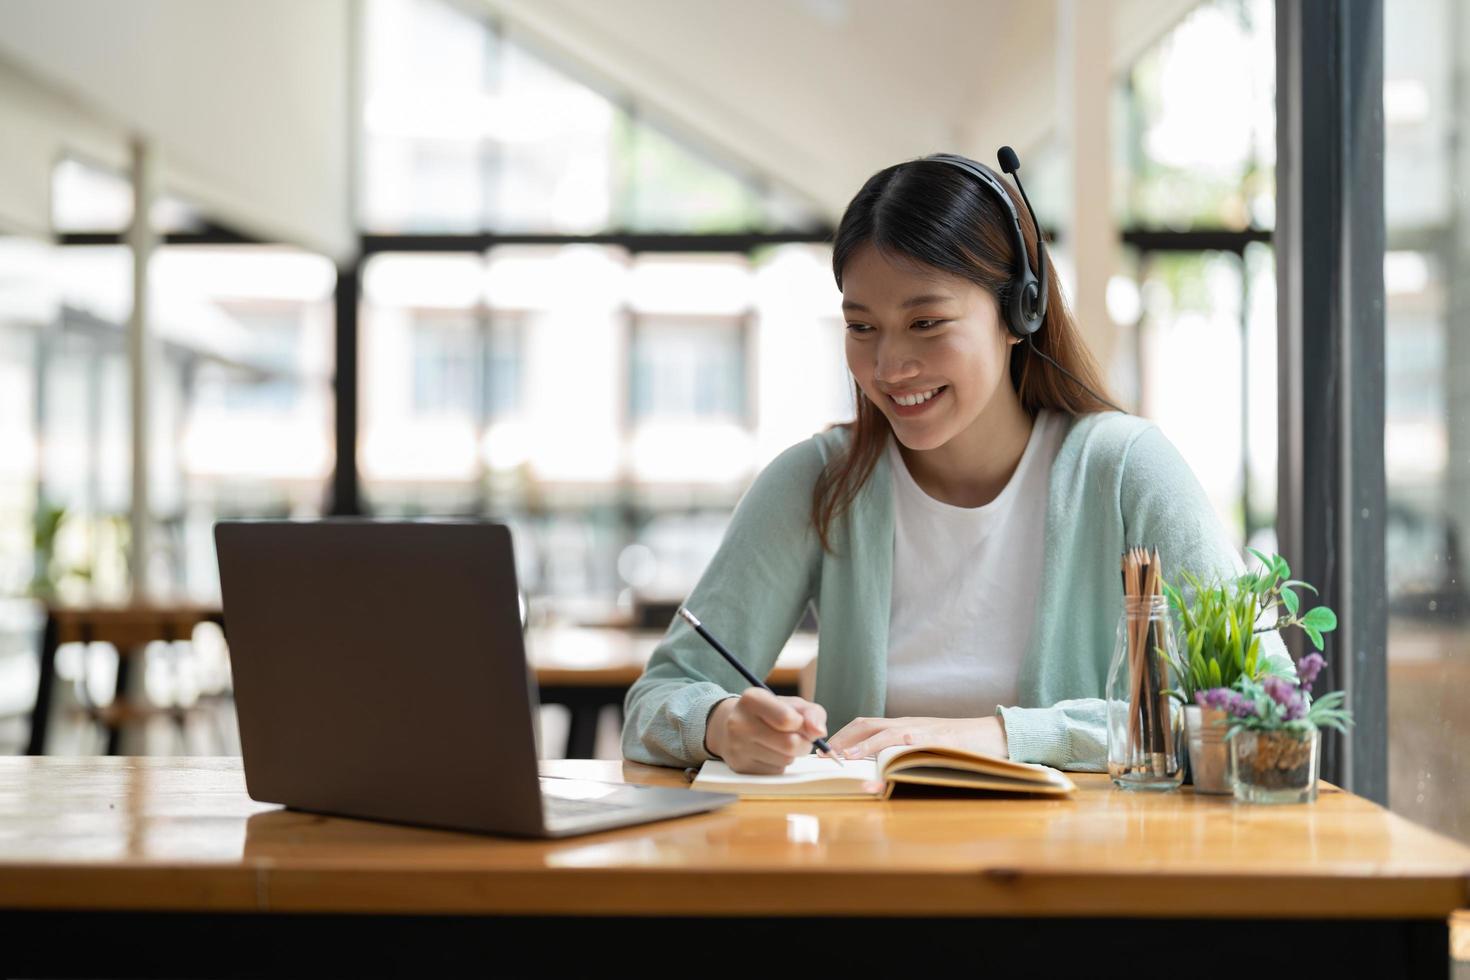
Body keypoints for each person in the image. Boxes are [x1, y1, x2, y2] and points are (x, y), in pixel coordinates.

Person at [621, 151, 1290, 774]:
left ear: (1017, 313)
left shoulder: (1125, 471)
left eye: (926, 323)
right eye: (861, 327)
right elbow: (659, 698)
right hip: (872, 874)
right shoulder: (818, 482)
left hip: (1072, 878)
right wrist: (719, 722)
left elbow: (1269, 717)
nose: (888, 366)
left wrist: (1006, 736)